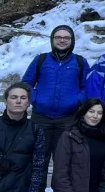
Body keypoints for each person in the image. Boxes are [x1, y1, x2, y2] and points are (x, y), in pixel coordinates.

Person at [21, 24, 88, 175]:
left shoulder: (80, 62)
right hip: (41, 117)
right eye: (58, 37)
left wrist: (76, 101)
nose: (62, 40)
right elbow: (26, 83)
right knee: (37, 158)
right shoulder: (41, 60)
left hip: (68, 118)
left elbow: (86, 87)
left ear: (72, 40)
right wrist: (36, 99)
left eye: (66, 37)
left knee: (64, 160)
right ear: (52, 40)